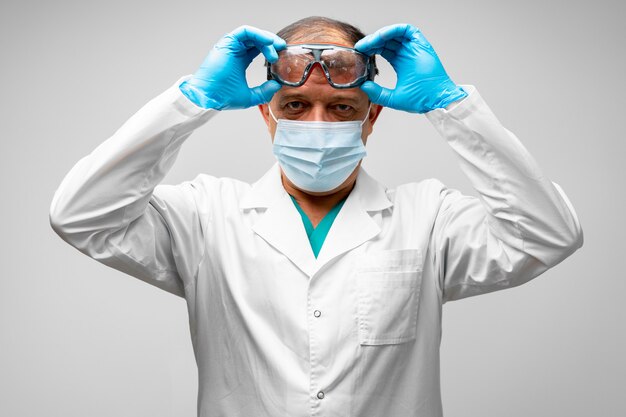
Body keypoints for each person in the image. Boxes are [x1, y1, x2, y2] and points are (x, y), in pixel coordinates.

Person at [49, 16, 583, 417]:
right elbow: (81, 215)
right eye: (297, 106)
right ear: (266, 112)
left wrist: (451, 106)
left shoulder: (430, 218)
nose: (319, 123)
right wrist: (192, 102)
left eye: (341, 108)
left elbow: (549, 234)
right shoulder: (205, 217)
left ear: (372, 116)